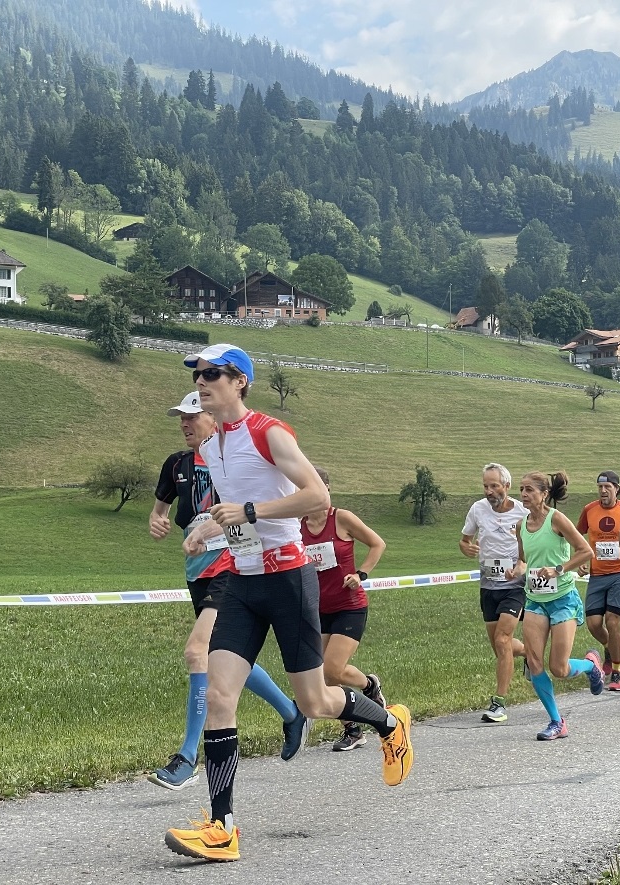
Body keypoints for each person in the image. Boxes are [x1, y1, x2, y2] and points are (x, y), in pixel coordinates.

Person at [165, 344, 412, 863]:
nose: (201, 382)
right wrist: (208, 528)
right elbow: (231, 511)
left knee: (315, 702)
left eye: (212, 374)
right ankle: (222, 828)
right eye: (197, 375)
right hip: (241, 581)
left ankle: (390, 724)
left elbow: (317, 496)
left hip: (288, 578)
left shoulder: (268, 431)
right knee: (219, 696)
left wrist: (249, 511)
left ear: (240, 381)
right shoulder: (211, 447)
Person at [148, 391, 306, 791]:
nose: (184, 423)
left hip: (235, 563)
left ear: (212, 417)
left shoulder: (233, 458)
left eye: (192, 416)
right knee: (226, 657)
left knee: (197, 651)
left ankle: (187, 756)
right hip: (198, 569)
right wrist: (158, 521)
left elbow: (259, 502)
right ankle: (292, 713)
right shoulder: (177, 464)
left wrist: (222, 526)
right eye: (180, 417)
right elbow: (161, 509)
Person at [302, 467, 388, 752]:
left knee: (333, 668)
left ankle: (369, 686)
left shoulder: (341, 518)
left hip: (349, 606)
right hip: (318, 608)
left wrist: (360, 574)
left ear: (326, 489)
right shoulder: (297, 526)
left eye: (315, 487)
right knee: (323, 677)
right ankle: (352, 730)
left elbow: (377, 543)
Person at [510, 471, 601, 740]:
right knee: (534, 661)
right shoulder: (521, 525)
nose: (524, 494)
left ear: (544, 493)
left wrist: (558, 569)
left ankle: (590, 666)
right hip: (535, 600)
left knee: (559, 668)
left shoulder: (556, 519)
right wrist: (516, 570)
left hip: (562, 599)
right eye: (521, 489)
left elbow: (586, 551)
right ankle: (556, 721)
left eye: (529, 490)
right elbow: (523, 559)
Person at [460, 463, 528, 723]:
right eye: (485, 486)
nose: (489, 491)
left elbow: (531, 548)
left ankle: (499, 703)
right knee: (500, 647)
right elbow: (465, 540)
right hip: (488, 586)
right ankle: (530, 653)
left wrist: (521, 566)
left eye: (494, 486)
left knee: (502, 640)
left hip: (514, 587)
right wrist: (466, 548)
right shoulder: (478, 509)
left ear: (506, 486)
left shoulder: (522, 512)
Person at [577, 471, 620, 691]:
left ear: (616, 489)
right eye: (600, 487)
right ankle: (610, 647)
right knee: (593, 624)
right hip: (597, 574)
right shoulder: (589, 510)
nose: (603, 491)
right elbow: (577, 535)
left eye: (607, 487)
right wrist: (580, 560)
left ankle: (617, 673)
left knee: (612, 620)